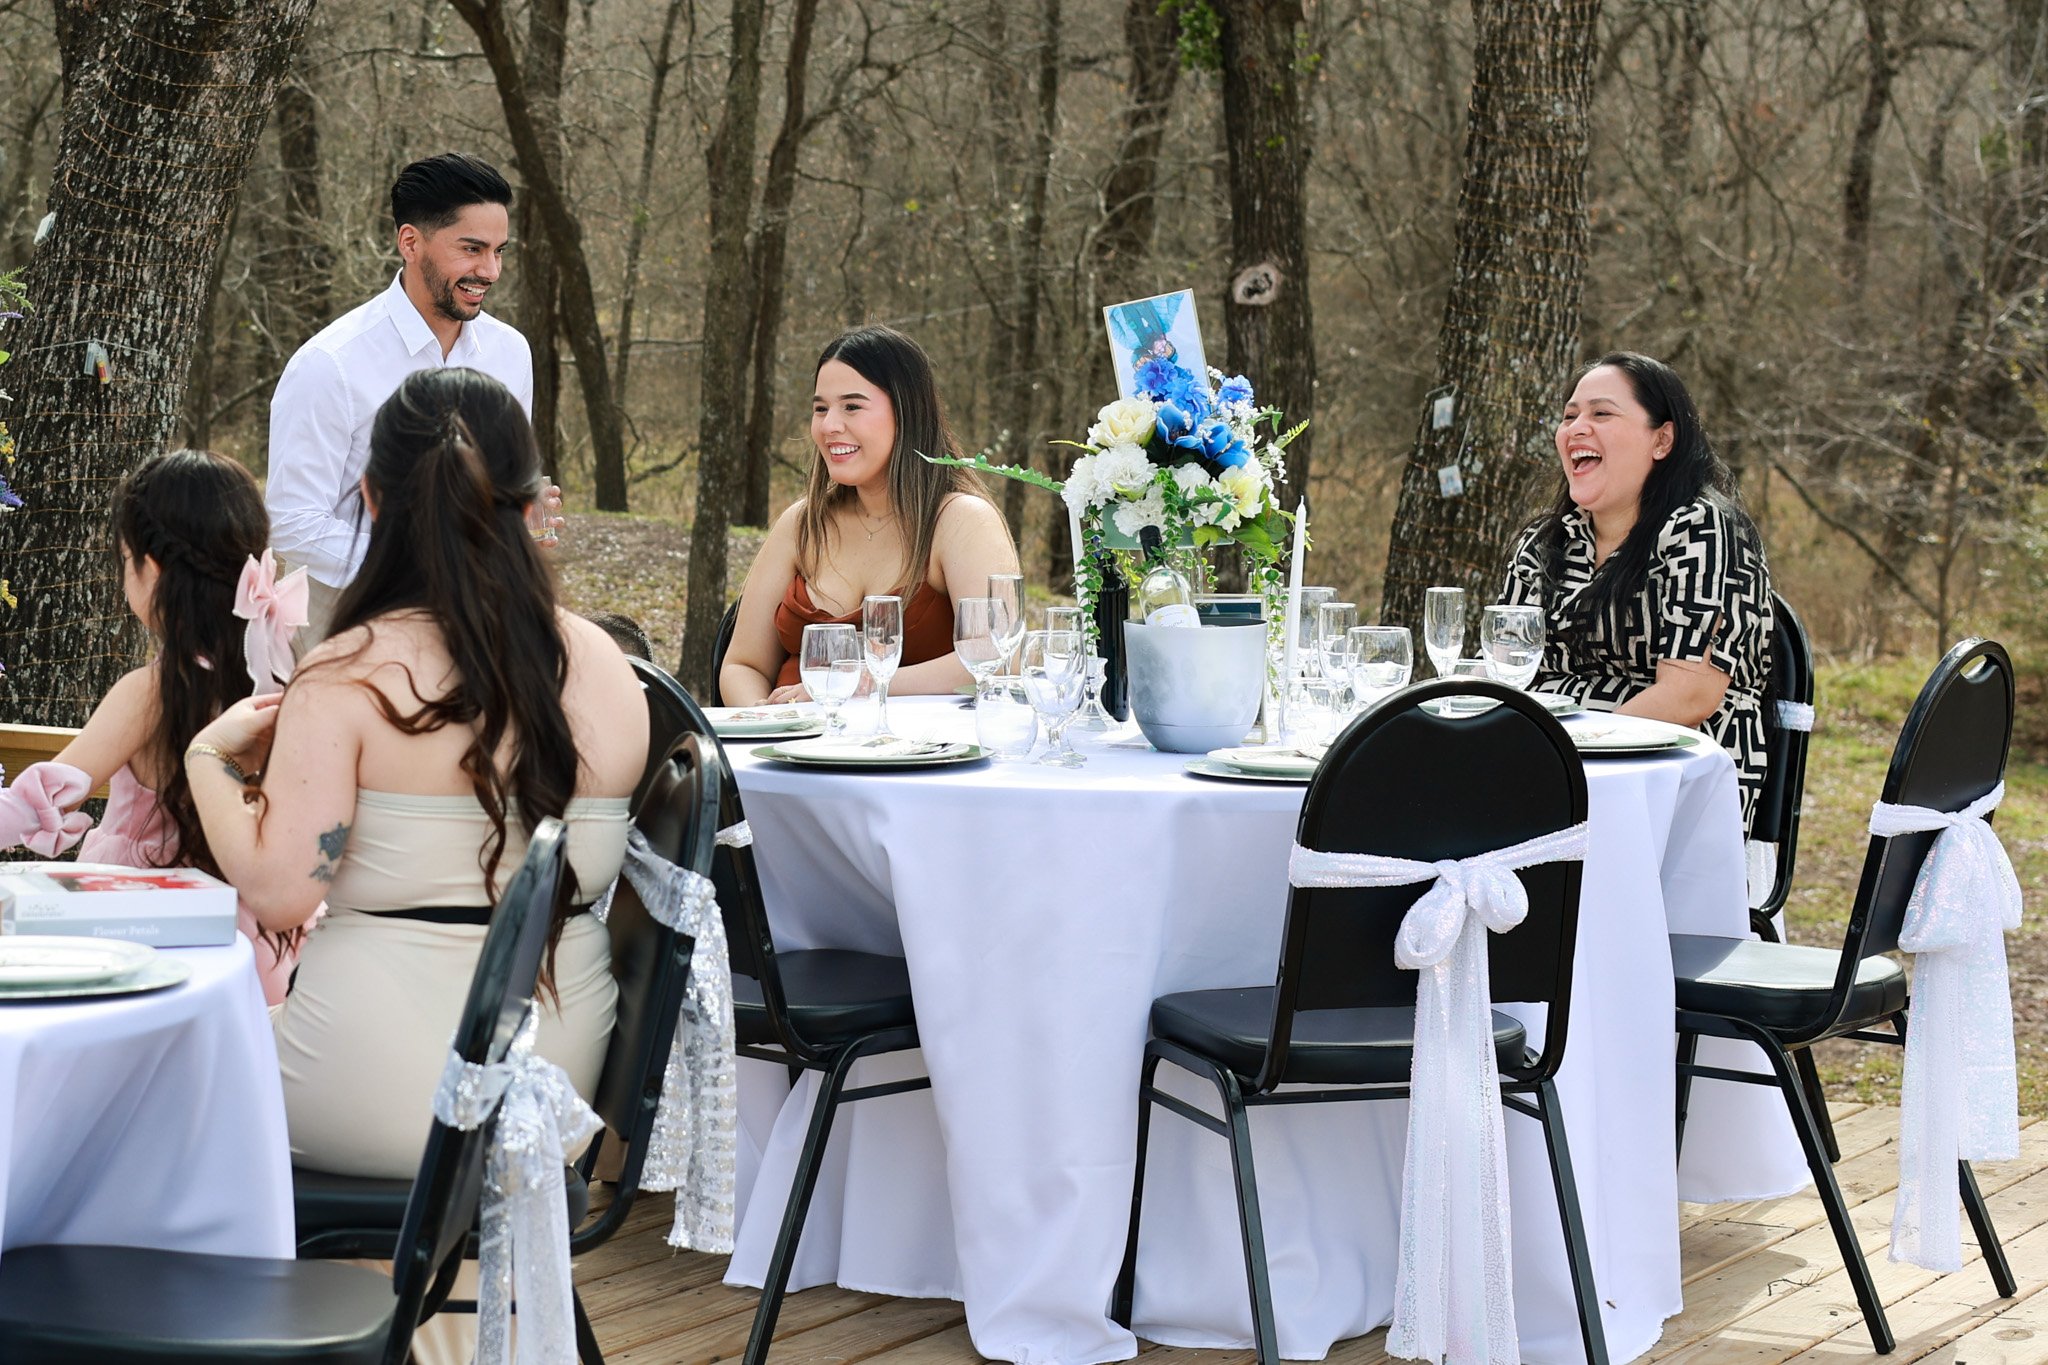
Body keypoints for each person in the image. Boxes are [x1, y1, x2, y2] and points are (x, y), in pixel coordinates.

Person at [185, 367, 644, 1187]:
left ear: (369, 495)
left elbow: (281, 891)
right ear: (533, 499)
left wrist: (208, 761)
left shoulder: (348, 675)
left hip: (375, 1089)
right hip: (553, 1089)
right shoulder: (605, 665)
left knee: (172, 1083)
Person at [0, 449, 305, 1004]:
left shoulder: (151, 693)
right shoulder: (283, 677)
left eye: (124, 558)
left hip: (146, 937)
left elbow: (38, 800)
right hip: (259, 942)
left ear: (152, 568)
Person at [265, 152, 560, 647]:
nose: (489, 270)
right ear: (410, 242)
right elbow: (291, 522)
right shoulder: (329, 363)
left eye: (499, 251)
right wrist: (425, 565)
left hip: (480, 624)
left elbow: (498, 490)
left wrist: (517, 514)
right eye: (471, 249)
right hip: (349, 625)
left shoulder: (511, 352)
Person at [1501, 351, 1774, 828]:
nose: (1576, 428)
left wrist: (1576, 762)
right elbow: (1508, 676)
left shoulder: (1702, 528)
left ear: (1662, 440)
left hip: (1675, 774)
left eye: (1601, 413)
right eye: (1570, 416)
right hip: (1551, 772)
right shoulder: (1543, 542)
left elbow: (1689, 695)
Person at [720, 324, 1019, 705]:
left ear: (906, 412)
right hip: (793, 750)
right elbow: (742, 665)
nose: (829, 426)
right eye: (820, 408)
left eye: (852, 406)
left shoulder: (960, 520)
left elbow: (998, 659)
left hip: (916, 755)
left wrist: (860, 685)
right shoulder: (801, 524)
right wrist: (769, 727)